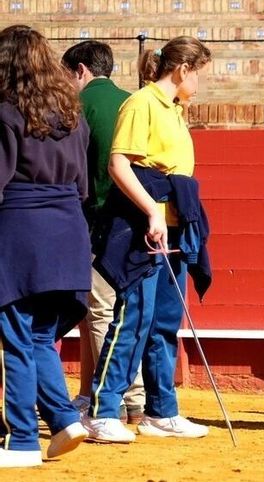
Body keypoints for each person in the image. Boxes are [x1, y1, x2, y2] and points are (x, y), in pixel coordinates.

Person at [83, 36, 213, 443]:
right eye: (200, 75)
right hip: (145, 226)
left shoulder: (175, 110)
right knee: (133, 316)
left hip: (173, 226)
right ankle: (102, 410)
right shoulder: (141, 104)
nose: (200, 85)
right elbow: (119, 163)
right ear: (183, 69)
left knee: (163, 322)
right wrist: (153, 211)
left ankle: (161, 411)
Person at [0, 24, 91, 468]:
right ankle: (62, 418)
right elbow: (84, 188)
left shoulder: (5, 114)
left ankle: (20, 440)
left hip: (20, 235)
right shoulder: (74, 117)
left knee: (17, 339)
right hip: (68, 231)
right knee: (37, 338)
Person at [61, 40, 145, 425]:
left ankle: (116, 397)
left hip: (95, 221)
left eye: (68, 76)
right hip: (141, 219)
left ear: (80, 71)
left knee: (99, 311)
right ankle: (103, 391)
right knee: (125, 310)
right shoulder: (134, 102)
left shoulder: (78, 107)